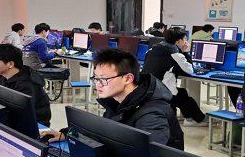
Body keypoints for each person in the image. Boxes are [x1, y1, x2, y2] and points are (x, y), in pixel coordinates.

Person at [41, 48, 184, 150]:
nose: (98, 85)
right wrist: (68, 134)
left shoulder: (152, 115)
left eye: (104, 79)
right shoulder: (117, 101)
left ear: (128, 78)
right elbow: (103, 130)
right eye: (96, 78)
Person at [142, 28, 207, 127]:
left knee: (182, 92)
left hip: (147, 88)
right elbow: (190, 69)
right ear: (179, 41)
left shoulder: (151, 50)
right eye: (185, 38)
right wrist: (185, 52)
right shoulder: (175, 55)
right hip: (161, 91)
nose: (186, 41)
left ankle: (188, 118)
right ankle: (200, 119)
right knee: (187, 100)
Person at [0, 44, 52, 126]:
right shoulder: (6, 77)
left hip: (33, 125)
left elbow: (16, 110)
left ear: (10, 64)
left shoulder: (26, 85)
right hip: (14, 120)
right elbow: (0, 93)